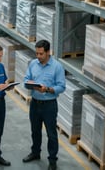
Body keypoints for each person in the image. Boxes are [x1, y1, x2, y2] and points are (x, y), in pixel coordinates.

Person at [22, 40, 66, 170]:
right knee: (35, 131)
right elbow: (25, 80)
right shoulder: (33, 64)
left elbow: (61, 86)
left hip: (49, 105)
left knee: (51, 133)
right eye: (37, 53)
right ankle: (35, 153)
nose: (38, 56)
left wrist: (47, 89)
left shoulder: (57, 67)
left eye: (41, 54)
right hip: (35, 103)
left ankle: (52, 160)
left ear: (48, 52)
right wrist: (30, 84)